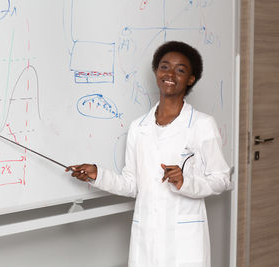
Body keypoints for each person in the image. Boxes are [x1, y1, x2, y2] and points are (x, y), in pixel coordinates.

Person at [66, 41, 232, 267]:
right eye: (164, 67)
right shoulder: (138, 127)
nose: (170, 74)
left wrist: (186, 182)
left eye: (180, 70)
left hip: (184, 239)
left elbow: (222, 179)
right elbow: (132, 184)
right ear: (156, 71)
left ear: (191, 79)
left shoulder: (202, 124)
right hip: (147, 237)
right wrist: (98, 175)